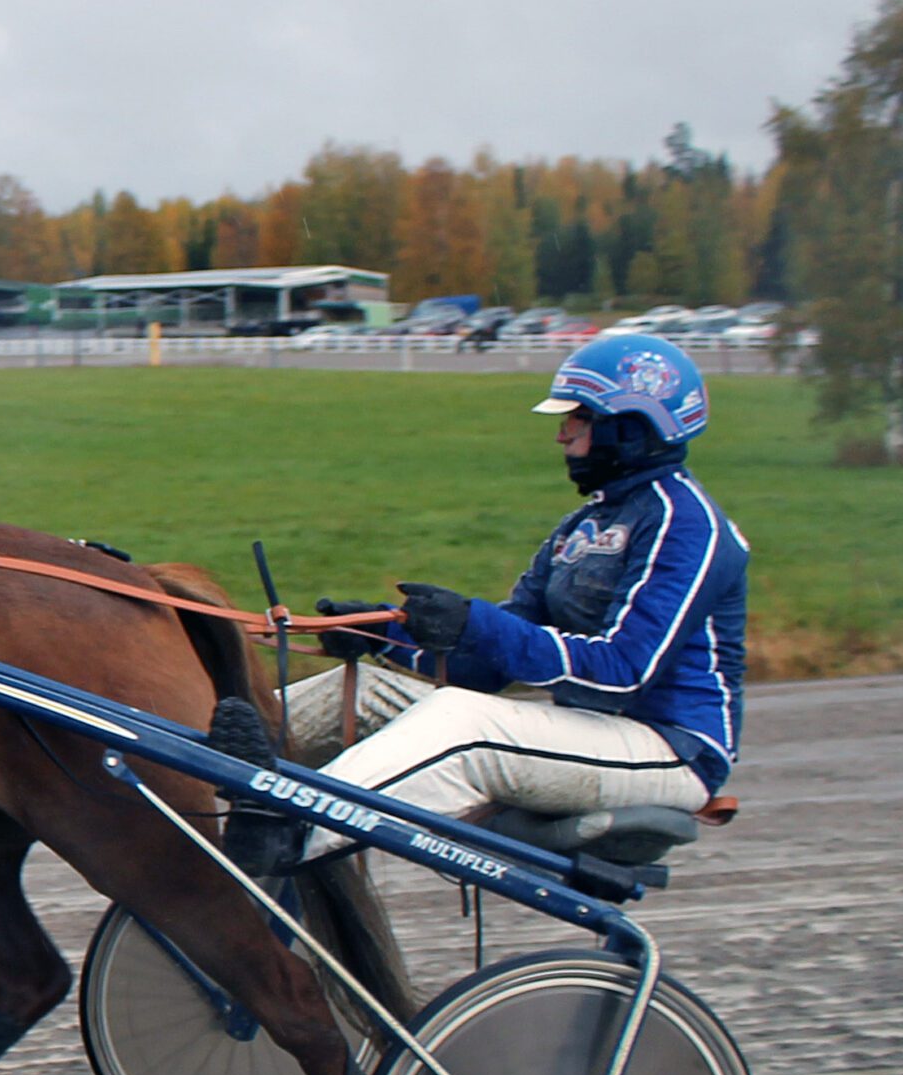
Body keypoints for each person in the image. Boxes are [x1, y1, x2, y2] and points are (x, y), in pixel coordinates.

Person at [282, 333, 748, 861]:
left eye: (578, 418)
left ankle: (287, 825)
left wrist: (475, 622)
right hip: (594, 733)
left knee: (464, 720)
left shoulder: (686, 525)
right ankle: (211, 755)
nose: (562, 434)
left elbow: (622, 673)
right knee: (363, 691)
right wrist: (380, 635)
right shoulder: (582, 527)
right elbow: (482, 669)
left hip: (669, 748)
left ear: (631, 427)